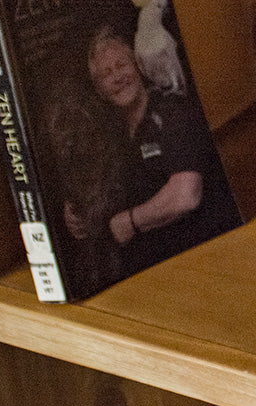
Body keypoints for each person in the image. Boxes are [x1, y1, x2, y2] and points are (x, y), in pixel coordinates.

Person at [63, 26, 238, 277]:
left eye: (122, 65)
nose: (118, 76)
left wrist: (130, 222)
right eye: (107, 74)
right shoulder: (110, 134)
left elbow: (186, 195)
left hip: (203, 257)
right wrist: (77, 210)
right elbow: (98, 184)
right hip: (146, 269)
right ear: (100, 90)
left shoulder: (173, 113)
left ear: (138, 66)